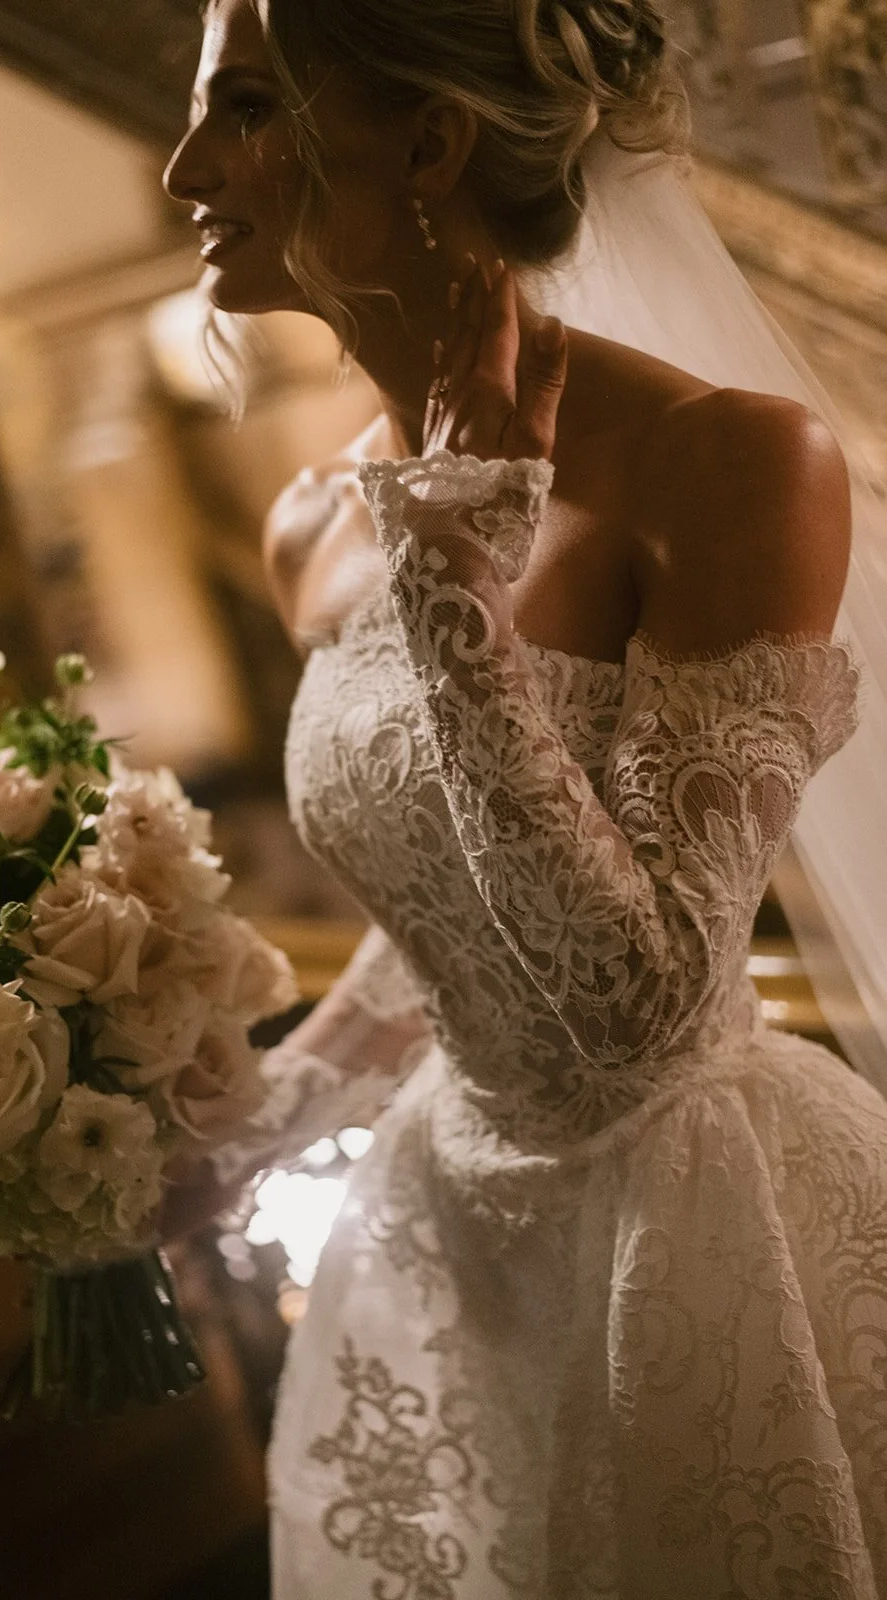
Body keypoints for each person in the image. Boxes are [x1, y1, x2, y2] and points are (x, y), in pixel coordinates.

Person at [162, 1, 887, 1594]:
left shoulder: (731, 460)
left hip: (702, 1251)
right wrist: (258, 1112)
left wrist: (458, 601)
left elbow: (637, 1009)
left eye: (250, 107)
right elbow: (445, 915)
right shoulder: (307, 523)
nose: (182, 167)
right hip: (456, 1246)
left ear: (428, 143)